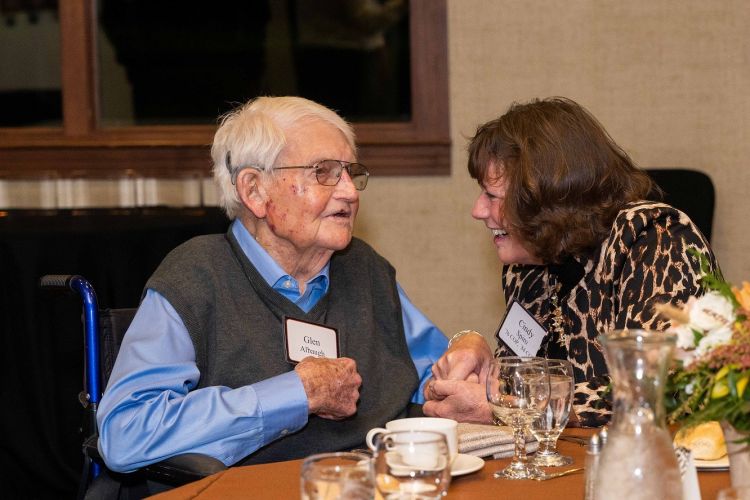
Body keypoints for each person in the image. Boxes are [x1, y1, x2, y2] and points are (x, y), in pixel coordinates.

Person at [97, 96, 448, 472]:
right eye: (324, 172)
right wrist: (296, 394)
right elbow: (126, 433)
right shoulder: (196, 276)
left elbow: (433, 371)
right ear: (254, 190)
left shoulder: (364, 268)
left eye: (350, 172)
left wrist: (461, 364)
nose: (349, 191)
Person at [422, 97, 718, 427]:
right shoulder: (527, 266)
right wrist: (476, 355)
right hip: (570, 460)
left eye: (492, 196)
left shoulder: (654, 238)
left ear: (545, 198)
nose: (477, 211)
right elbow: (519, 378)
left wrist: (503, 406)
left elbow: (656, 387)